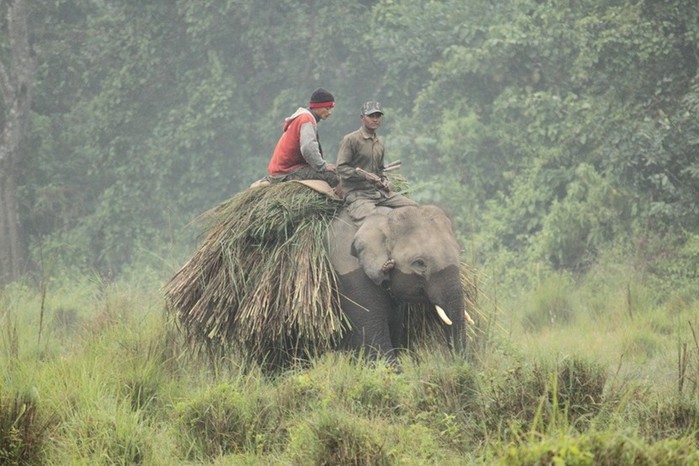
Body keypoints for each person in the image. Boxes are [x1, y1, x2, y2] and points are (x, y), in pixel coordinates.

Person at [336, 100, 416, 222]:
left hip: (378, 193)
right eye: (371, 116)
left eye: (378, 116)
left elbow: (380, 170)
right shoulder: (351, 139)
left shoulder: (380, 143)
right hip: (358, 194)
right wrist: (364, 176)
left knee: (415, 208)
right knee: (373, 223)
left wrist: (384, 181)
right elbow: (341, 169)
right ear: (362, 118)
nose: (375, 119)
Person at [265, 88, 339, 187]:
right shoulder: (307, 119)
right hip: (286, 172)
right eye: (327, 108)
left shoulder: (302, 118)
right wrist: (323, 166)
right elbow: (308, 148)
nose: (330, 112)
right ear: (317, 106)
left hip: (282, 169)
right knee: (333, 176)